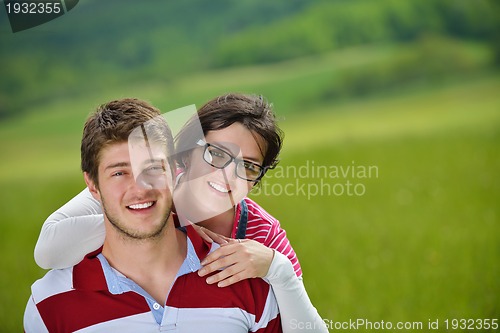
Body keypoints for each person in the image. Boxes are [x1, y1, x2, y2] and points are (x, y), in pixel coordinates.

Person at [34, 94, 328, 332]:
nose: (228, 175)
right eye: (216, 153)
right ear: (187, 150)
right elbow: (47, 251)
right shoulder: (149, 178)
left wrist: (278, 269)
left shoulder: (262, 234)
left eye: (248, 166)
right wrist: (153, 222)